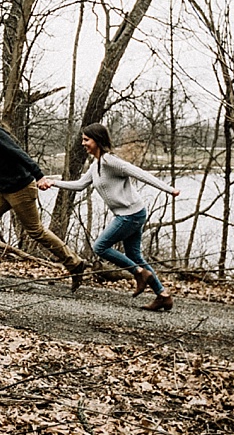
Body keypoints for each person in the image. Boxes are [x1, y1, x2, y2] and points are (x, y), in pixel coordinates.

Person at [39, 122, 180, 311]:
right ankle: (162, 295)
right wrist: (53, 183)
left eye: (86, 140)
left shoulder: (109, 161)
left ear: (97, 140)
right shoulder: (96, 165)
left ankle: (139, 273)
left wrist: (169, 189)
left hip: (130, 214)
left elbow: (139, 173)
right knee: (134, 254)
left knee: (100, 246)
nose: (83, 143)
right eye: (82, 139)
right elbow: (80, 185)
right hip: (131, 213)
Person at [0, 109, 87, 284]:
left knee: (36, 231)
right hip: (3, 191)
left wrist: (39, 176)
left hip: (20, 188)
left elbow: (18, 153)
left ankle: (75, 263)